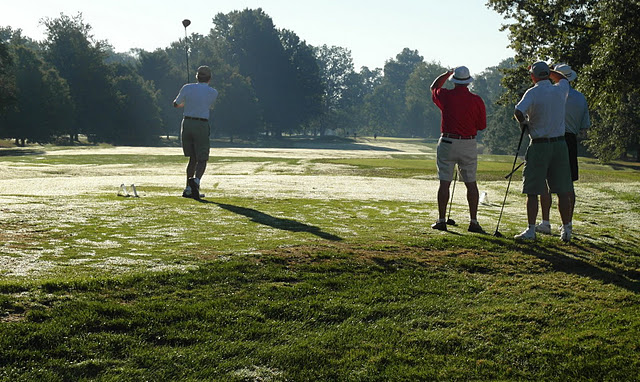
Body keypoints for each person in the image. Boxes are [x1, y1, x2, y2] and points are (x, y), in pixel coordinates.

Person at [513, 61, 573, 242]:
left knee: (533, 189)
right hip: (560, 145)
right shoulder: (560, 89)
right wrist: (550, 71)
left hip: (539, 145)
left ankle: (531, 230)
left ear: (533, 76)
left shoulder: (532, 92)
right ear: (548, 74)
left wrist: (524, 122)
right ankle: (567, 229)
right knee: (562, 190)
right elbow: (563, 79)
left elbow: (518, 111)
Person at [430, 66, 487, 233]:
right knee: (471, 183)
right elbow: (481, 126)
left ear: (454, 80)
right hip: (468, 143)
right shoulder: (477, 100)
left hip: (447, 141)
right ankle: (473, 222)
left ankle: (441, 220)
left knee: (444, 183)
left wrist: (446, 74)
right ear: (469, 82)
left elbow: (434, 87)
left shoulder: (445, 96)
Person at [535, 64, 590, 235]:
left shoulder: (551, 94)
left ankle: (545, 222)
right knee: (567, 185)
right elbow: (584, 127)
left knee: (544, 180)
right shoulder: (581, 98)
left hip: (551, 137)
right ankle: (568, 224)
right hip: (570, 139)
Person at [173, 65, 218, 200]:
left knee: (192, 158)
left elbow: (176, 104)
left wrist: (185, 103)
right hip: (201, 124)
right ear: (209, 78)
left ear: (197, 76)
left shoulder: (187, 87)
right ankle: (196, 182)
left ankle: (188, 188)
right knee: (202, 158)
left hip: (186, 123)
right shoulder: (213, 92)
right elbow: (209, 106)